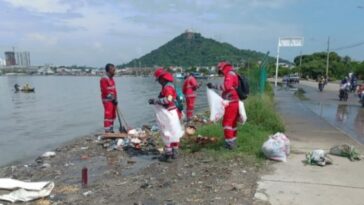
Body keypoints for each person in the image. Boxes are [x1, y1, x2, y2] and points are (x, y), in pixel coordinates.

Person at [148, 68, 181, 161]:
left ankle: (168, 155)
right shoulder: (169, 86)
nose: (158, 82)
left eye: (159, 80)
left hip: (168, 113)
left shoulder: (168, 87)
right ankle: (174, 153)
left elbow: (168, 100)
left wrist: (156, 101)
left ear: (163, 78)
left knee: (166, 132)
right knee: (173, 132)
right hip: (172, 112)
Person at [207, 61, 239, 149]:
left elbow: (227, 87)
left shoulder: (229, 75)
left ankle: (229, 144)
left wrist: (214, 85)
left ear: (223, 68)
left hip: (230, 102)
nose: (220, 73)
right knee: (233, 123)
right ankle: (233, 141)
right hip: (234, 101)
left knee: (227, 123)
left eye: (220, 70)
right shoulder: (233, 73)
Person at [100, 63, 118, 133]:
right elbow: (105, 91)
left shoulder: (112, 79)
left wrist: (116, 99)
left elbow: (114, 90)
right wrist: (112, 98)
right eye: (112, 70)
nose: (114, 71)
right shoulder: (104, 79)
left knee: (113, 115)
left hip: (113, 100)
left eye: (114, 69)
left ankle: (111, 129)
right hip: (107, 100)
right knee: (108, 115)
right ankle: (107, 131)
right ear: (108, 71)